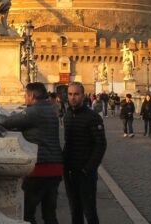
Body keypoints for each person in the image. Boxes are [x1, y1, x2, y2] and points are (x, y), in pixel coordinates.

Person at [0, 82, 62, 224]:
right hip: (56, 167)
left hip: (39, 168)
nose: (24, 98)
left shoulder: (34, 111)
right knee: (49, 214)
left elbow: (7, 122)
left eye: (25, 95)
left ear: (32, 95)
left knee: (27, 214)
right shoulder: (50, 109)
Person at [62, 82, 106, 224]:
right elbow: (68, 143)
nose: (73, 97)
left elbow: (101, 145)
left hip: (85, 173)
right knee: (75, 211)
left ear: (83, 95)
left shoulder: (92, 117)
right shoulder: (67, 115)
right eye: (70, 94)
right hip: (69, 171)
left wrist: (88, 169)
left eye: (76, 94)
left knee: (90, 212)